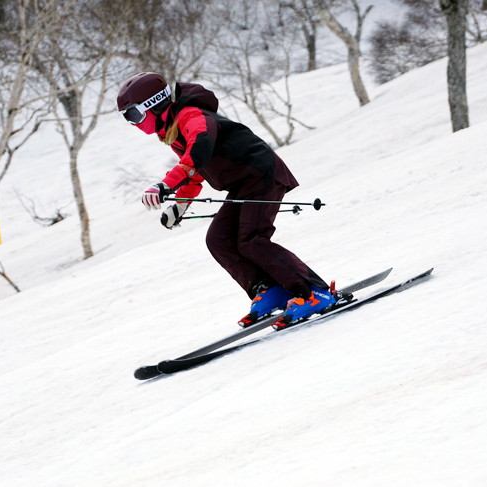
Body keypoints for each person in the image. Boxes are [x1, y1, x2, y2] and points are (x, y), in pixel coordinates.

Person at [116, 72, 335, 329]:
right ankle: (270, 290)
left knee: (251, 240)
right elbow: (194, 169)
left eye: (134, 115)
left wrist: (165, 185)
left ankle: (314, 293)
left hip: (261, 175)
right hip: (244, 185)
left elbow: (199, 148)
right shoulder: (173, 130)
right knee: (218, 240)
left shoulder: (191, 116)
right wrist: (181, 204)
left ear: (153, 104)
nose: (133, 123)